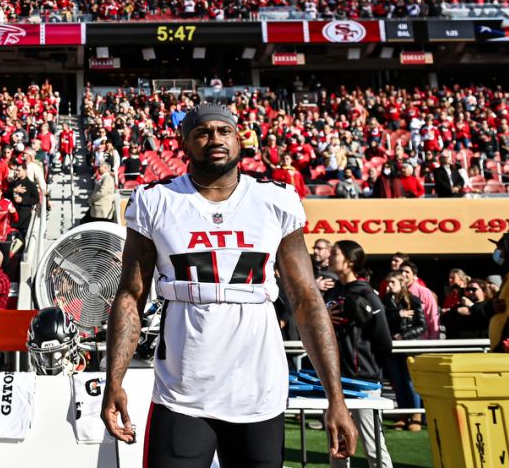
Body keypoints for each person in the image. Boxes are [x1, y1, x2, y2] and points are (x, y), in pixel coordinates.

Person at [102, 104, 357, 467]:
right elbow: (130, 297)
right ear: (185, 142)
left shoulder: (275, 200)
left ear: (239, 139)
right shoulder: (154, 200)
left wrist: (337, 397)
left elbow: (306, 301)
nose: (215, 139)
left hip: (259, 390)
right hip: (183, 391)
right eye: (203, 132)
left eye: (224, 131)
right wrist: (115, 380)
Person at [325, 240, 395, 468]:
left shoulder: (366, 293)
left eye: (334, 252)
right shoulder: (334, 291)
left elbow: (383, 340)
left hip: (362, 382)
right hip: (335, 381)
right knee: (338, 445)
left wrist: (370, 370)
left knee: (373, 444)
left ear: (350, 261)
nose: (328, 255)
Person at [382, 270, 425, 432]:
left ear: (402, 283)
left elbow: (422, 325)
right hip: (392, 348)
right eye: (388, 282)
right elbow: (382, 320)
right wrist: (398, 314)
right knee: (398, 383)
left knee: (410, 382)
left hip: (409, 347)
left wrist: (403, 336)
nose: (389, 285)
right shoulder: (385, 302)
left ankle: (416, 416)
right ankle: (402, 415)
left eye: (393, 282)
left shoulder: (413, 301)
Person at [399, 261, 440, 339]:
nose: (403, 274)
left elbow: (433, 316)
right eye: (401, 271)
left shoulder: (424, 292)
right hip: (400, 339)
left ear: (414, 275)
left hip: (421, 339)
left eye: (407, 272)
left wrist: (434, 339)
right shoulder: (395, 292)